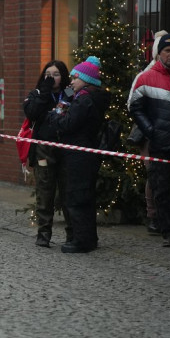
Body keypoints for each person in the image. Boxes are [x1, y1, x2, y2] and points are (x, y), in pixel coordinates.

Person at [46, 56, 109, 253]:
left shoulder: (84, 100)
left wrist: (55, 116)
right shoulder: (86, 94)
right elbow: (65, 96)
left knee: (76, 196)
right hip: (84, 152)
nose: (70, 81)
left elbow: (67, 124)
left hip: (78, 153)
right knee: (85, 196)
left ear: (86, 80)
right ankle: (88, 237)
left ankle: (81, 240)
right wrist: (62, 101)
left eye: (75, 78)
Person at [130, 33, 170, 247]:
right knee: (160, 188)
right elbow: (135, 107)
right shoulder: (146, 77)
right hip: (159, 142)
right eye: (167, 51)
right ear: (159, 53)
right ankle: (168, 231)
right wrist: (151, 131)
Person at [22, 60, 70, 247]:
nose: (51, 78)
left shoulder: (69, 92)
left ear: (63, 76)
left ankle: (71, 233)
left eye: (56, 74)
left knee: (66, 190)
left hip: (65, 148)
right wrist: (45, 89)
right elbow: (31, 113)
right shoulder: (37, 94)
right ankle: (43, 233)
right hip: (43, 148)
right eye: (47, 74)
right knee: (45, 190)